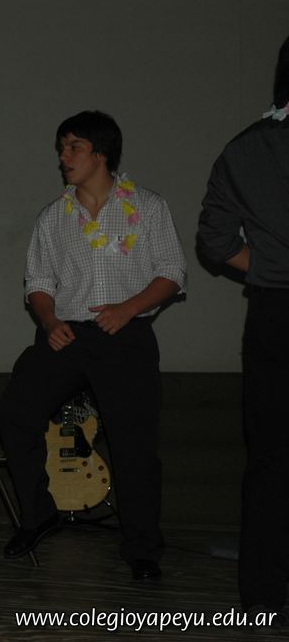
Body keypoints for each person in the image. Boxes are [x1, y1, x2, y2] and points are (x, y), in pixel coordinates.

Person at [0, 110, 185, 581]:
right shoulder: (53, 217)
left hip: (126, 335)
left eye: (73, 147)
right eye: (61, 148)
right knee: (15, 414)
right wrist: (48, 320)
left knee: (134, 442)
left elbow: (172, 272)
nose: (63, 156)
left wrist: (128, 308)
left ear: (100, 154)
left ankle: (142, 547)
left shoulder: (148, 206)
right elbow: (38, 282)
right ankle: (39, 516)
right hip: (68, 335)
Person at [197, 35, 289, 622]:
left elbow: (214, 241)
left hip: (275, 313)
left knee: (272, 455)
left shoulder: (246, 147)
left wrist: (269, 268)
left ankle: (263, 594)